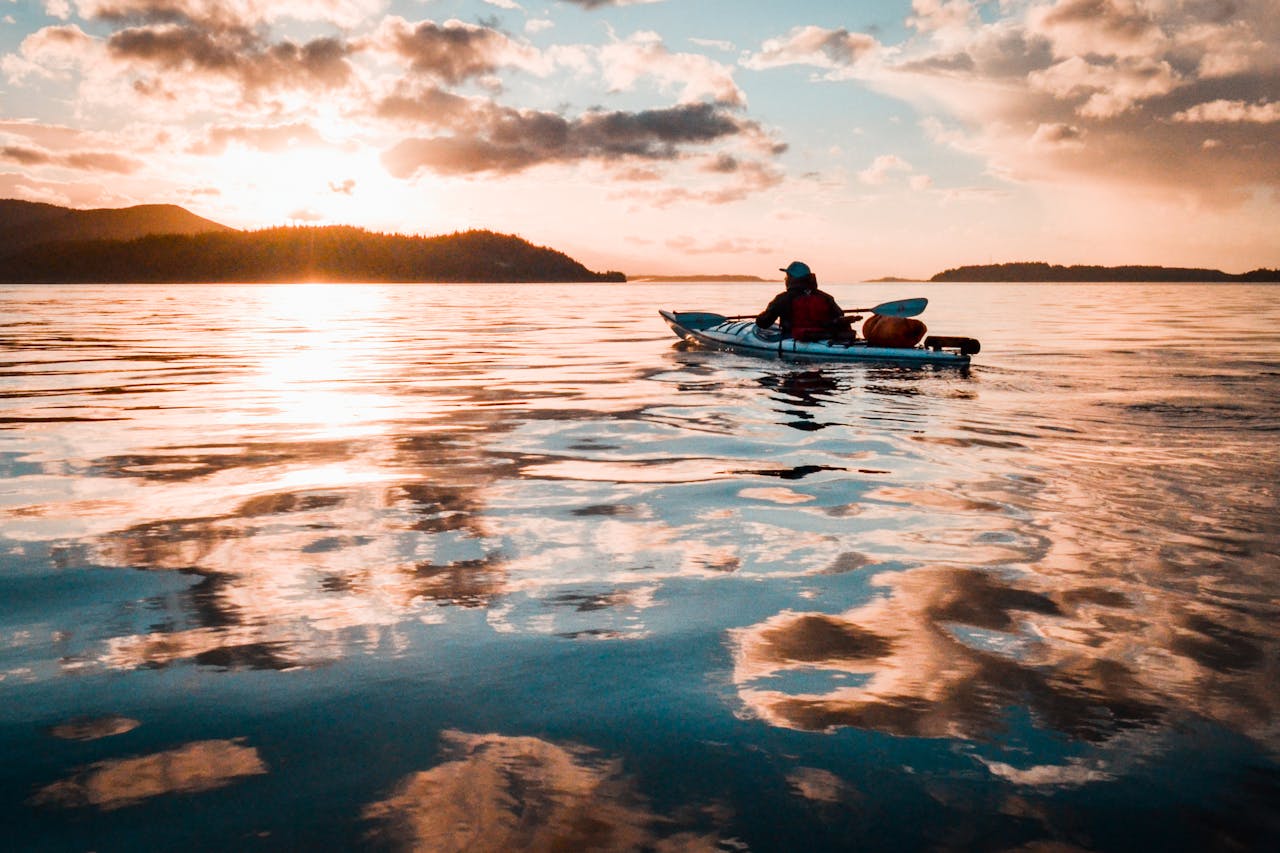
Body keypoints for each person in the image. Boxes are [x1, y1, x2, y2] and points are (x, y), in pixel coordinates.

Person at [755, 261, 853, 341]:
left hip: (793, 338)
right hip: (824, 337)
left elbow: (763, 323)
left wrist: (761, 316)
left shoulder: (783, 298)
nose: (786, 279)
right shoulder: (825, 297)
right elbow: (839, 315)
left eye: (787, 277)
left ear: (792, 279)